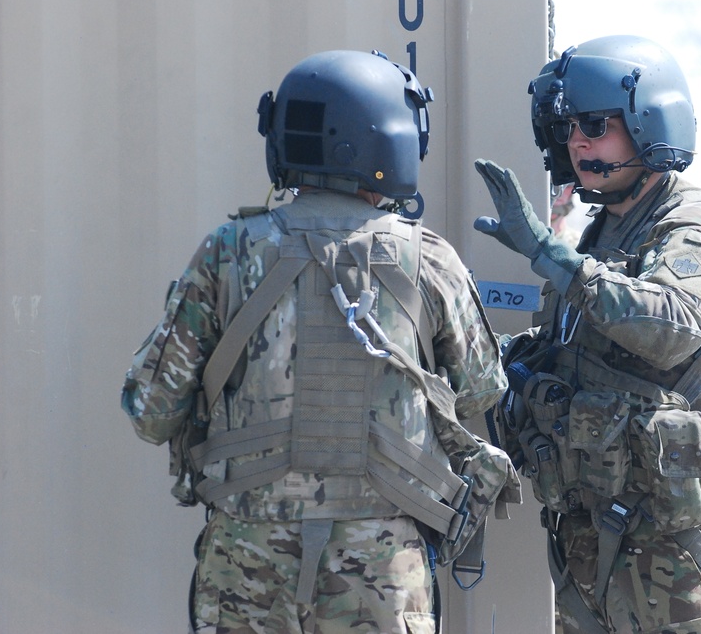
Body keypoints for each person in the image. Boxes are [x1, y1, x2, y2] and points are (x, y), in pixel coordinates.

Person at [121, 49, 518, 634]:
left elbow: (152, 412)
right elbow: (482, 392)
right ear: (393, 142)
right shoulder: (428, 259)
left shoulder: (228, 252)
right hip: (382, 572)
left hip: (247, 564)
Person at [474, 35, 701, 633]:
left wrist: (550, 255)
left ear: (649, 124)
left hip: (673, 544)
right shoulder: (602, 235)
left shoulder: (697, 224)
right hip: (591, 535)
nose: (579, 142)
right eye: (569, 129)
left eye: (595, 124)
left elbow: (671, 325)